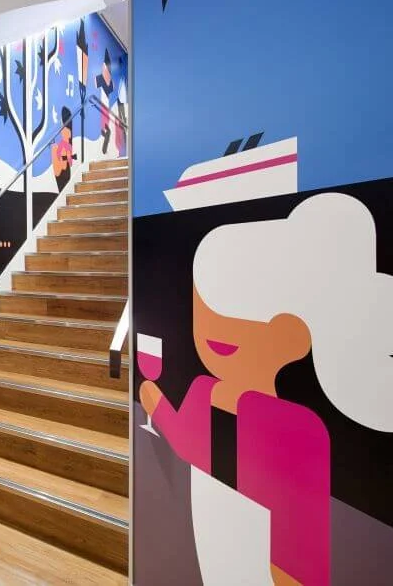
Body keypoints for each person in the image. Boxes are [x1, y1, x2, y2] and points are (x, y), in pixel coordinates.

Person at [139, 192, 393, 585]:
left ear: (295, 337)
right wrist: (155, 403)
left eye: (238, 311)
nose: (216, 327)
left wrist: (155, 403)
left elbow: (298, 552)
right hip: (212, 532)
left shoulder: (297, 428)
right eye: (206, 310)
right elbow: (187, 442)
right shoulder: (206, 389)